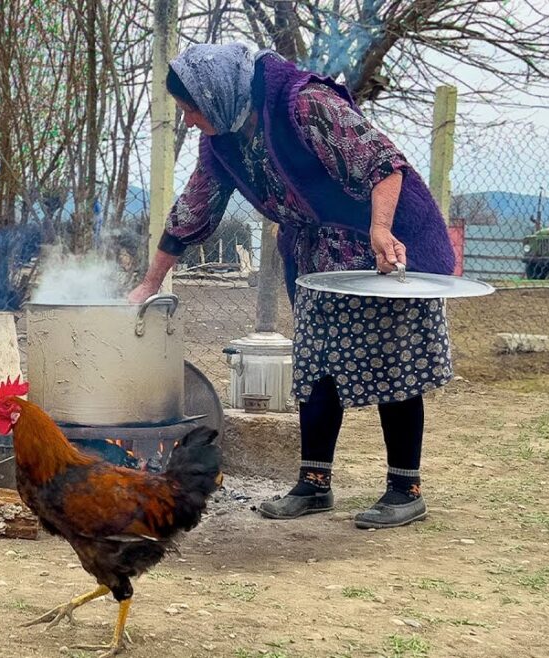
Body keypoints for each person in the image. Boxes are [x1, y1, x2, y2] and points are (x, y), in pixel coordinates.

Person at [130, 43, 456, 529]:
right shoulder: (222, 140)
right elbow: (193, 209)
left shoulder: (303, 104)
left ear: (215, 94)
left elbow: (383, 165)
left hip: (384, 249)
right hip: (318, 259)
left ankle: (404, 489)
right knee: (317, 365)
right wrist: (151, 282)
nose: (188, 121)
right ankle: (314, 485)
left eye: (190, 110)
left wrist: (381, 229)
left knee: (394, 361)